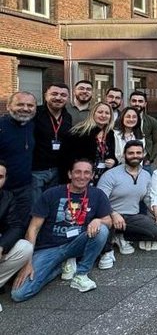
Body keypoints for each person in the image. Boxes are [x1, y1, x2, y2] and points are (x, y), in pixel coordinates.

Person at [11, 159, 111, 301]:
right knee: (19, 294)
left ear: (92, 175)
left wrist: (98, 220)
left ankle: (81, 274)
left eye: (86, 172)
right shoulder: (51, 194)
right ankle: (59, 265)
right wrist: (27, 263)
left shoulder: (97, 194)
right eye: (77, 172)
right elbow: (33, 228)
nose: (82, 176)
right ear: (70, 174)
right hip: (49, 248)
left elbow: (109, 221)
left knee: (102, 230)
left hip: (77, 243)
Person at [97, 142, 157, 263]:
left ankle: (121, 236)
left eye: (138, 153)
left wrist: (156, 213)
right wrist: (113, 213)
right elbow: (99, 199)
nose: (135, 156)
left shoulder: (146, 175)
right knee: (104, 225)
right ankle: (106, 251)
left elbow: (147, 198)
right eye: (131, 153)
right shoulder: (110, 175)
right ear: (124, 155)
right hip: (109, 216)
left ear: (143, 154)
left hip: (131, 217)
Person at [0, 161, 34, 312]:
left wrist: (2, 245)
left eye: (0, 176)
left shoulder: (7, 197)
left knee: (25, 247)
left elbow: (16, 226)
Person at [32, 83, 72, 203]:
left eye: (63, 95)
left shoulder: (67, 117)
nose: (59, 98)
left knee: (52, 204)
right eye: (54, 94)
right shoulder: (35, 113)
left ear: (68, 98)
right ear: (46, 95)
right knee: (36, 205)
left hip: (57, 170)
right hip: (36, 170)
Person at [0, 91, 37, 220]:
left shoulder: (32, 125)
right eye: (20, 104)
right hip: (3, 190)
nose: (25, 109)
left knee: (21, 225)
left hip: (24, 189)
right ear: (8, 106)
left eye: (30, 105)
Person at [65, 102, 116, 182]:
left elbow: (112, 155)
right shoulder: (79, 132)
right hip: (83, 178)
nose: (103, 115)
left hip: (104, 178)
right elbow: (68, 158)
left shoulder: (110, 134)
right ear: (93, 114)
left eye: (107, 113)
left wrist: (113, 161)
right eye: (100, 112)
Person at [128, 91, 157, 170]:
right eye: (134, 101)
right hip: (125, 160)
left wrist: (150, 159)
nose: (137, 104)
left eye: (140, 101)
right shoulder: (121, 120)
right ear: (130, 102)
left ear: (145, 104)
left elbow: (156, 142)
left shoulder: (152, 121)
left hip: (145, 161)